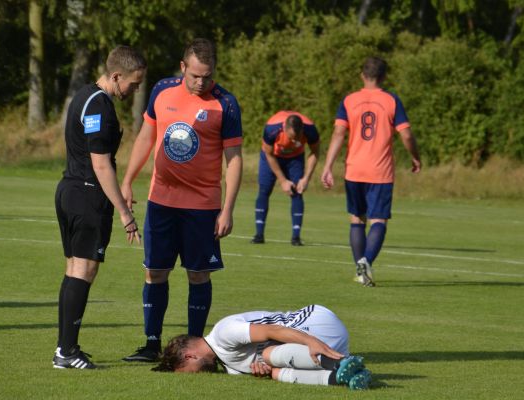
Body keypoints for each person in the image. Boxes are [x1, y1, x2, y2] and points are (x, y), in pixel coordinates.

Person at [121, 38, 243, 362]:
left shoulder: (226, 104)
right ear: (182, 67)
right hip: (161, 202)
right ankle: (151, 345)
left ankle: (193, 346)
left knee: (198, 275)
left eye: (207, 76)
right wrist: (128, 180)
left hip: (202, 207)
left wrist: (228, 209)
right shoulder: (162, 90)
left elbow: (234, 159)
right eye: (195, 76)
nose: (201, 82)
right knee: (155, 271)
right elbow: (146, 136)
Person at [53, 45, 146, 369]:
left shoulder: (84, 95)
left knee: (74, 270)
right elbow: (101, 165)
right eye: (133, 84)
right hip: (88, 195)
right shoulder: (101, 107)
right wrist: (125, 212)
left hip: (70, 190)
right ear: (117, 76)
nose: (135, 90)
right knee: (84, 271)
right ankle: (67, 352)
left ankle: (65, 347)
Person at [320, 56, 421, 287]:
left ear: (362, 75)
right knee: (378, 220)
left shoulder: (349, 100)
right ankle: (365, 264)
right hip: (380, 172)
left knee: (357, 218)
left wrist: (327, 166)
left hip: (354, 170)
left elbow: (338, 133)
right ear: (384, 76)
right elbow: (406, 134)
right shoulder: (391, 100)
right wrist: (415, 156)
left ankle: (360, 268)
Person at [153, 304, 372, 390]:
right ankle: (342, 377)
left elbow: (272, 330)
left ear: (189, 356)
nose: (194, 376)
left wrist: (310, 341)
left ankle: (339, 363)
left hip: (315, 323)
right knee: (274, 372)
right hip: (319, 346)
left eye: (187, 372)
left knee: (266, 354)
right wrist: (264, 372)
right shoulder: (229, 368)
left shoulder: (222, 333)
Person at [251, 111, 320, 246]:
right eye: (291, 137)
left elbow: (315, 151)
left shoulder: (310, 130)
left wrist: (306, 178)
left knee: (297, 191)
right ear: (284, 128)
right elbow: (269, 154)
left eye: (297, 138)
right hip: (272, 156)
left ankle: (296, 237)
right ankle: (259, 235)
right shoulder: (271, 129)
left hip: (295, 159)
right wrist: (282, 181)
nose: (294, 141)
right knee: (264, 190)